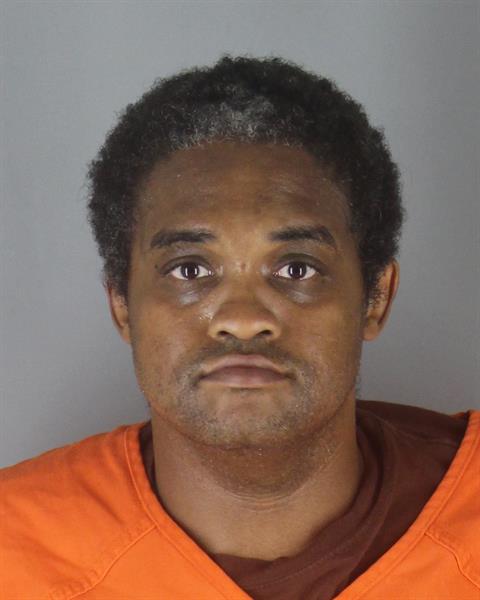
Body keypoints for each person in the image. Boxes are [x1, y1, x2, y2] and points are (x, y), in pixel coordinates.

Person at [1, 56, 478, 600]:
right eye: (189, 270)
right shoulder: (13, 546)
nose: (244, 320)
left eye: (296, 269)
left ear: (375, 298)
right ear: (122, 305)